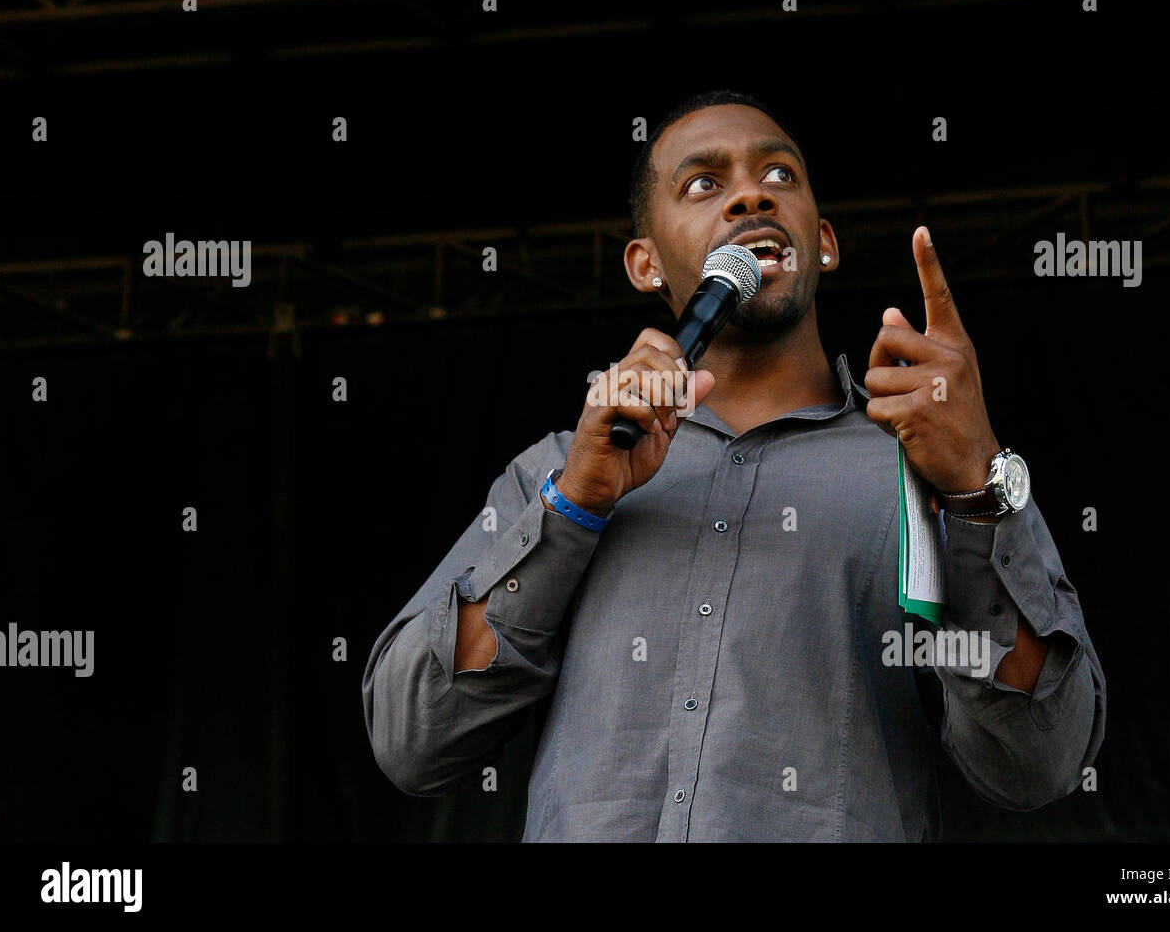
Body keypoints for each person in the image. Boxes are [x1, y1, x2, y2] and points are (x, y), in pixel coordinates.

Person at [361, 90, 1106, 841]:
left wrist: (977, 485)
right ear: (644, 262)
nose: (752, 193)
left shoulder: (926, 471)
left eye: (780, 176)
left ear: (824, 242)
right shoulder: (559, 471)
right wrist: (572, 511)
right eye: (702, 184)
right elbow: (411, 739)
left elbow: (1039, 761)